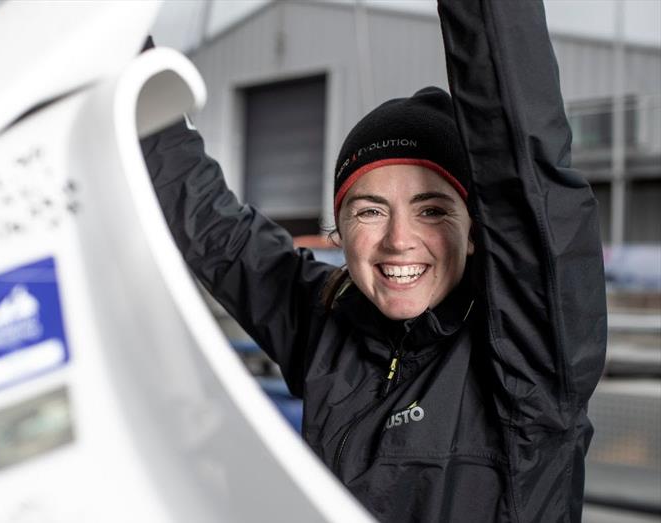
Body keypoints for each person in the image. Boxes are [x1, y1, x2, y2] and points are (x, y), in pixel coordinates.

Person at [140, 1, 606, 521]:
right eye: (370, 211)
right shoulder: (326, 327)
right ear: (340, 231)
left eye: (431, 210)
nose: (398, 240)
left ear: (476, 231)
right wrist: (121, 56)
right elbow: (210, 222)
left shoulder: (531, 354)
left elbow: (518, 151)